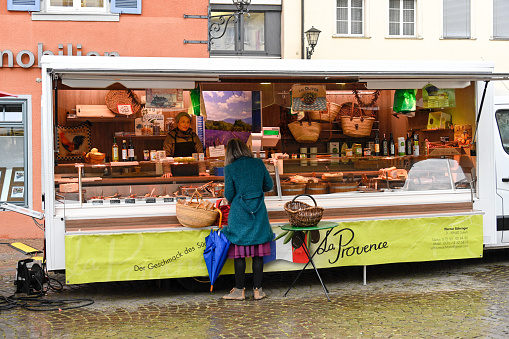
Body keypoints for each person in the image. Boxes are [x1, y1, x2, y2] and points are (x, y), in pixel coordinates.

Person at [221, 139, 274, 301]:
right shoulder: (258, 163)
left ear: (229, 153)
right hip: (258, 211)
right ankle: (258, 290)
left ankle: (239, 291)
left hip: (240, 214)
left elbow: (229, 194)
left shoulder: (230, 168)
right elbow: (269, 185)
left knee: (240, 254)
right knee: (258, 254)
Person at [162, 111, 204, 177]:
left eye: (188, 122)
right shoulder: (171, 136)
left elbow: (200, 155)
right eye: (183, 122)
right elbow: (166, 156)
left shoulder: (194, 136)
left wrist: (202, 171)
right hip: (175, 172)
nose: (186, 124)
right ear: (177, 123)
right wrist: (167, 172)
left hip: (193, 172)